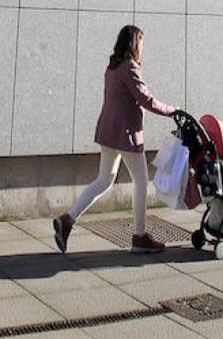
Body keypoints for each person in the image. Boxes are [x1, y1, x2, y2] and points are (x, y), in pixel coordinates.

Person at [53, 25, 178, 254]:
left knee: (104, 179)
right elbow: (146, 100)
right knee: (141, 181)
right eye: (141, 42)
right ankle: (140, 237)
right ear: (133, 43)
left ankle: (67, 220)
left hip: (108, 131)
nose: (142, 47)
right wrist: (173, 111)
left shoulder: (113, 67)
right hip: (126, 134)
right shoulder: (130, 68)